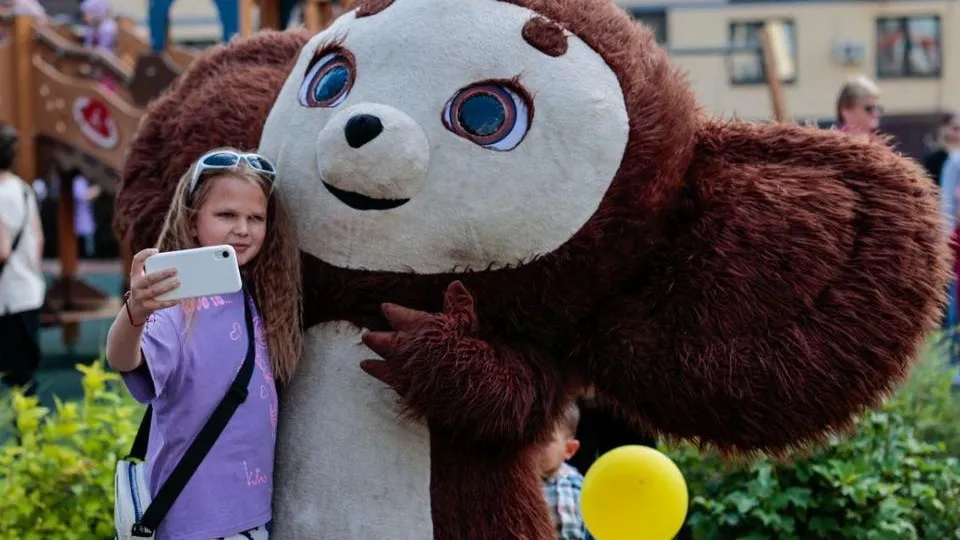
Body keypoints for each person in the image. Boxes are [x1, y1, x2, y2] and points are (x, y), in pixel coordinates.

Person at [105, 148, 302, 540]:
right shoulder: (178, 303)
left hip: (253, 516)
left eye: (256, 218)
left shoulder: (254, 298)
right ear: (193, 220)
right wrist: (136, 313)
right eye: (226, 215)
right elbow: (123, 358)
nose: (243, 229)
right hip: (193, 523)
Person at [0, 125, 45, 396]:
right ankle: (31, 436)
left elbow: (2, 250)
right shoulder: (23, 189)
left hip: (8, 298)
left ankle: (26, 436)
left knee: (16, 376)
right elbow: (38, 238)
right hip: (28, 290)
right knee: (25, 377)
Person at [539, 401, 593, 540]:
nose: (533, 447)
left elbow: (593, 530)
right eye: (528, 439)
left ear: (569, 449)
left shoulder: (580, 487)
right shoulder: (514, 487)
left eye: (544, 440)